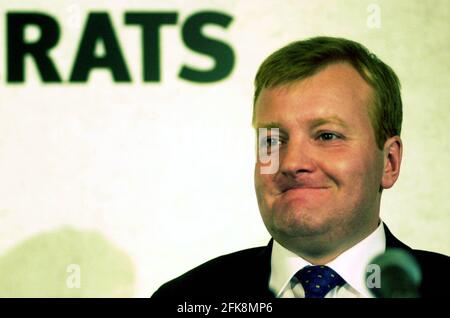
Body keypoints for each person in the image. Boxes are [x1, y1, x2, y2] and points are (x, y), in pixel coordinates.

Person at [152, 36, 449, 298]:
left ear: (389, 162)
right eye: (273, 140)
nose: (292, 163)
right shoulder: (186, 298)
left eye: (327, 136)